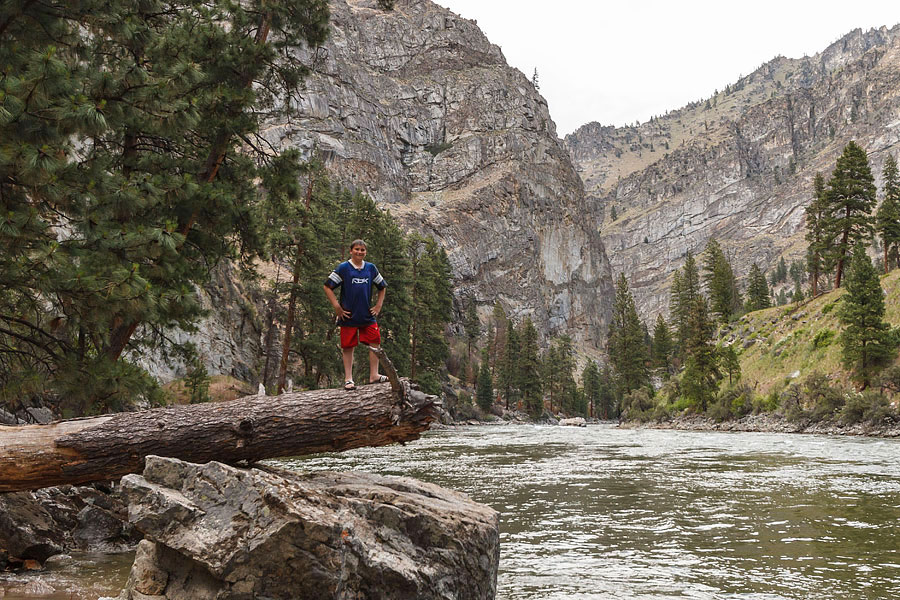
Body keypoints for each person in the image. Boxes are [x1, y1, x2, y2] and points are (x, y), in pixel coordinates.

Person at [323, 239, 388, 390]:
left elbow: (382, 287)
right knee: (348, 346)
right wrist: (337, 307)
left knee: (375, 342)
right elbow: (328, 286)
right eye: (357, 249)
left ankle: (374, 375)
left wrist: (378, 306)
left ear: (365, 252)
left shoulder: (371, 268)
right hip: (348, 315)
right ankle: (348, 379)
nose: (359, 252)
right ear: (351, 251)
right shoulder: (344, 268)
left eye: (362, 250)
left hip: (367, 315)